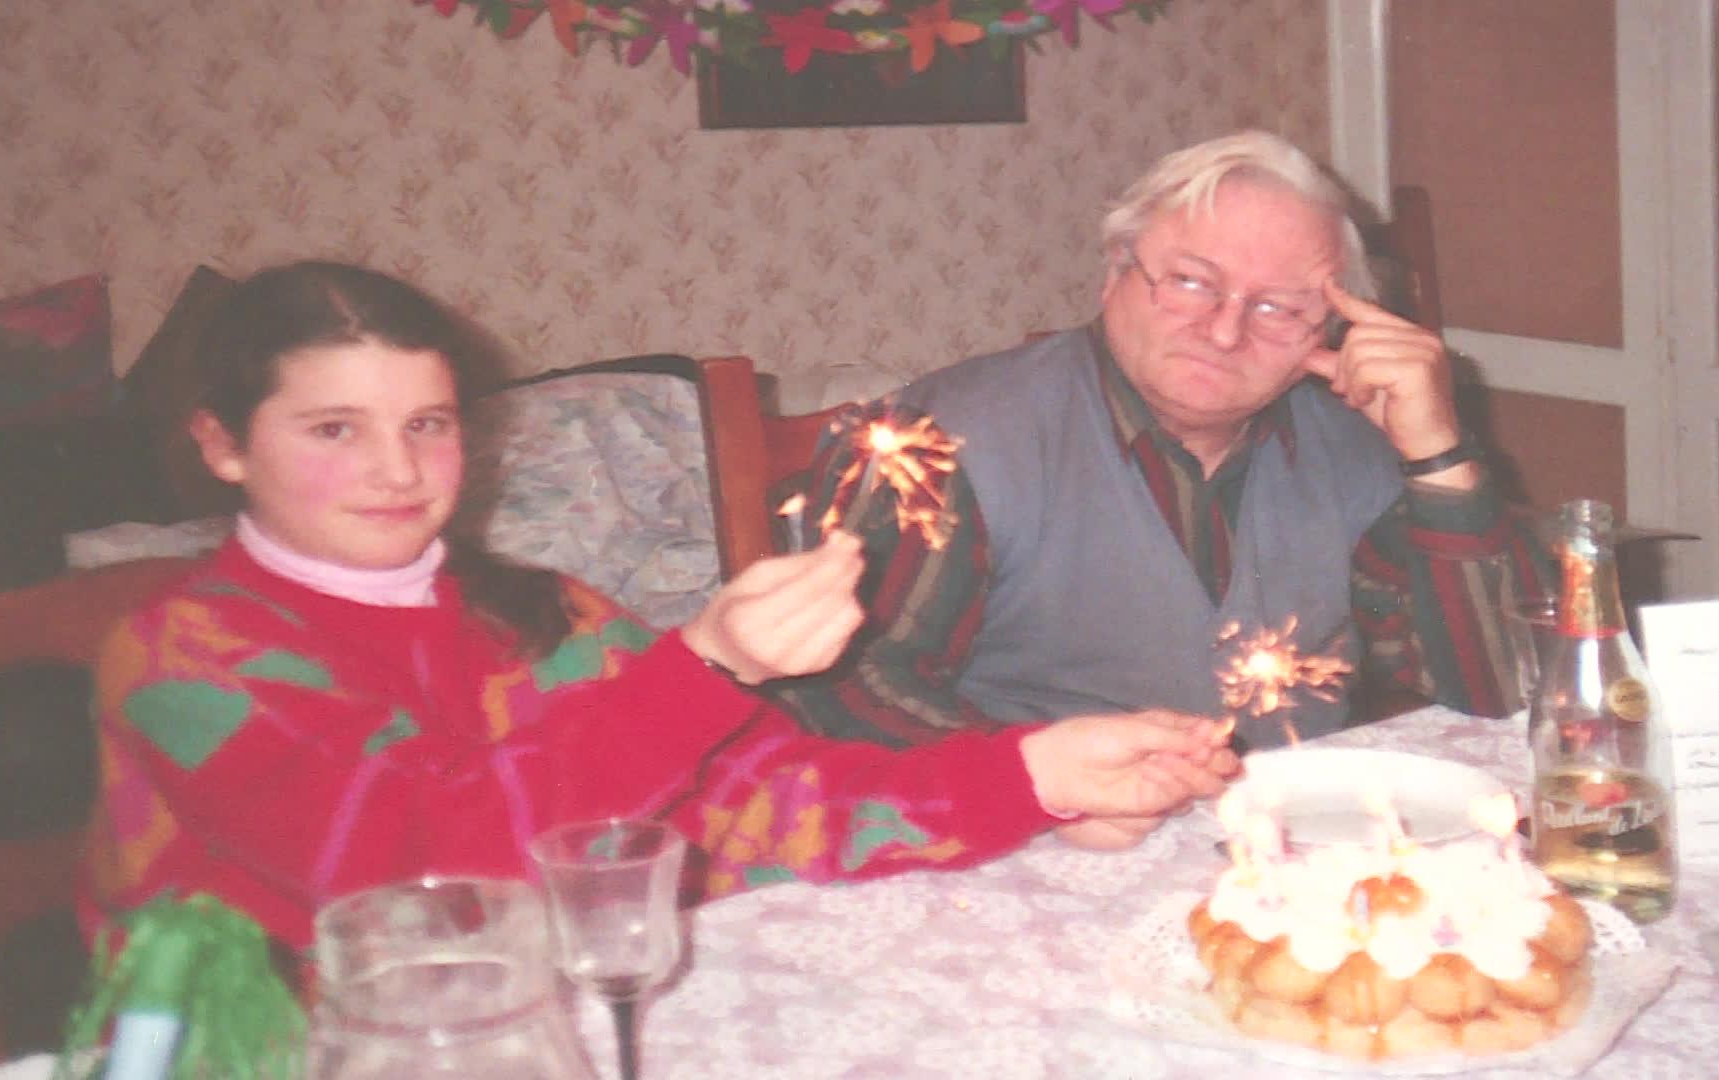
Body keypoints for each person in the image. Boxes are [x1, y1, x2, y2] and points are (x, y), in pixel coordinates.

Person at [77, 260, 1238, 951]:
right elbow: (421, 873)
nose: (396, 470)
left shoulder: (544, 616)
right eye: (335, 430)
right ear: (223, 446)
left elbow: (766, 802)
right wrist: (701, 664)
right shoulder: (182, 656)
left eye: (426, 424)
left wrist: (1034, 777)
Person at [778, 131, 1539, 827]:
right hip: (1026, 852)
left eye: (1279, 308)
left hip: (1290, 857)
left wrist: (1438, 452)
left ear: (1332, 333)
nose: (1223, 330)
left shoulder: (1353, 450)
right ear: (1115, 275)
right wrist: (1039, 786)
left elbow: (1499, 693)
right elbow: (845, 690)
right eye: (1189, 282)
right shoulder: (942, 442)